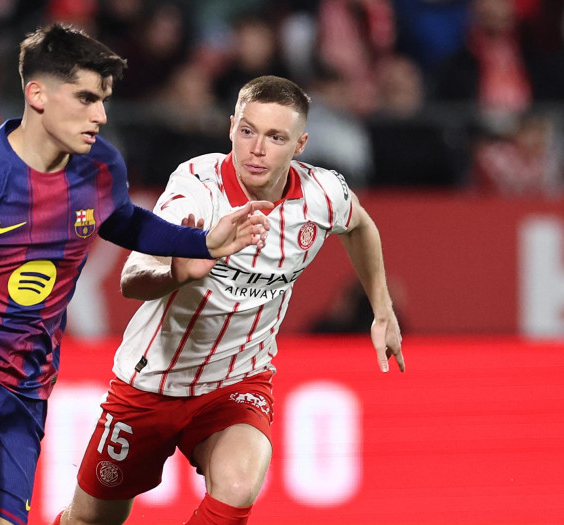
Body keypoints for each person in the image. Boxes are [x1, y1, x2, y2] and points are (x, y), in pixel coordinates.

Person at [0, 24, 272, 525]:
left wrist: (202, 243)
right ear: (38, 95)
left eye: (104, 100)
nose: (101, 115)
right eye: (87, 98)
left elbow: (125, 221)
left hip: (26, 387)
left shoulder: (101, 168)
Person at [55, 75, 405, 525]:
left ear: (300, 145)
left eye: (275, 137)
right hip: (152, 383)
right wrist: (179, 270)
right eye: (247, 130)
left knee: (238, 487)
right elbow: (133, 278)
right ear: (230, 128)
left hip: (238, 380)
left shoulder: (322, 194)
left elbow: (360, 225)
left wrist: (383, 310)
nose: (257, 149)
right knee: (91, 519)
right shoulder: (197, 189)